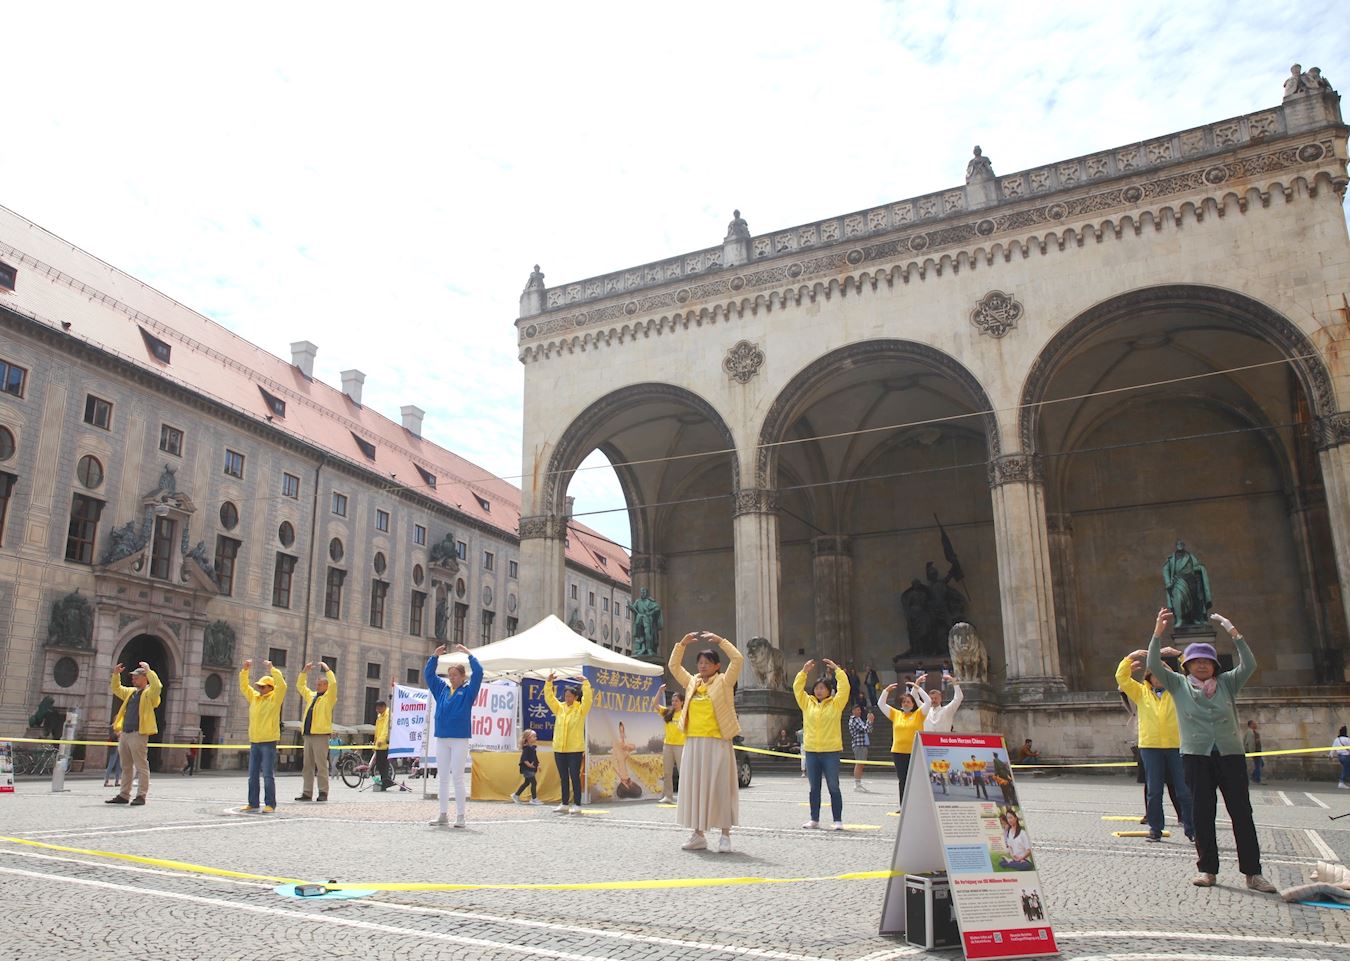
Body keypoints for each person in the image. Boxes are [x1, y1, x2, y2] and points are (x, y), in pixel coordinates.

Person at [1146, 608, 1276, 892]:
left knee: (1242, 813)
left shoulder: (1228, 683)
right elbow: (1153, 664)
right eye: (1196, 661)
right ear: (1187, 666)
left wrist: (1234, 632)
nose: (1202, 665)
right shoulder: (1178, 685)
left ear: (1215, 665)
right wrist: (1157, 632)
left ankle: (1253, 873)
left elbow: (1250, 664)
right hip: (1196, 757)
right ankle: (1207, 870)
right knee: (1203, 814)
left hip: (1230, 755)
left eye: (1207, 661)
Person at [669, 630, 744, 852]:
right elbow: (674, 666)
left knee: (721, 787)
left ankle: (725, 835)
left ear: (717, 666)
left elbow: (738, 659)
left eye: (707, 662)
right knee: (695, 789)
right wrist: (681, 645)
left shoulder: (724, 682)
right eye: (700, 662)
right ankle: (698, 834)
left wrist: (721, 642)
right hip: (693, 742)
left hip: (717, 741)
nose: (702, 666)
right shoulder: (692, 682)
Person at [1116, 646, 1194, 843]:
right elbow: (1122, 679)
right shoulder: (1141, 693)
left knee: (1184, 790)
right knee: (1154, 790)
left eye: (1163, 675)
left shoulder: (1178, 690)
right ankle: (1155, 829)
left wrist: (1179, 655)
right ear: (1149, 677)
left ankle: (1192, 828)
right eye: (1155, 675)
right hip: (1150, 747)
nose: (1159, 679)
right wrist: (1129, 658)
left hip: (1176, 745)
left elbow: (1191, 676)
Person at [425, 643, 482, 828]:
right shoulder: (441, 690)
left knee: (457, 777)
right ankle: (443, 815)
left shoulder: (468, 691)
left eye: (455, 675)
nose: (451, 678)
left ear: (463, 676)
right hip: (442, 738)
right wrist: (434, 657)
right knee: (442, 777)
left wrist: (469, 655)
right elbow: (429, 675)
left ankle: (461, 816)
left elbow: (479, 673)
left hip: (459, 739)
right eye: (449, 675)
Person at [794, 658, 850, 830]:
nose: (819, 691)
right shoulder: (807, 703)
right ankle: (814, 819)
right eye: (817, 688)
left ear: (829, 690)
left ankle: (837, 820)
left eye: (822, 688)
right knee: (814, 788)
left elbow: (845, 688)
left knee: (834, 787)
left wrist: (838, 671)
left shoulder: (836, 704)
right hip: (811, 751)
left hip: (830, 752)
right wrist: (804, 672)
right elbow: (797, 688)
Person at [105, 662, 162, 806]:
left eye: (136, 677)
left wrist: (149, 671)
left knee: (141, 765)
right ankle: (124, 794)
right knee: (126, 766)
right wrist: (116, 674)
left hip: (138, 733)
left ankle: (141, 795)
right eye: (133, 677)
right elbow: (116, 689)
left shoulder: (149, 694)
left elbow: (157, 687)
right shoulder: (131, 692)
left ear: (145, 678)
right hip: (125, 733)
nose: (133, 679)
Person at [239, 659, 286, 813]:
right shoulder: (255, 697)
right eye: (259, 686)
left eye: (263, 686)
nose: (259, 688)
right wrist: (245, 671)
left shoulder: (275, 698)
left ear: (271, 688)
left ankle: (270, 804)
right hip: (255, 741)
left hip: (268, 742)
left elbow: (282, 686)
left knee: (267, 775)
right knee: (252, 775)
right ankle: (253, 803)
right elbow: (244, 687)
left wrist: (273, 669)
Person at [543, 671, 593, 814]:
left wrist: (585, 683)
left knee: (574, 777)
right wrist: (548, 683)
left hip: (574, 749)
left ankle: (577, 804)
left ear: (575, 697)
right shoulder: (560, 708)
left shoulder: (581, 709)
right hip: (559, 749)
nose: (567, 698)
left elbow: (588, 700)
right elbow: (549, 698)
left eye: (570, 696)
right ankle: (564, 803)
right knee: (563, 777)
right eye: (565, 696)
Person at [877, 681, 928, 811]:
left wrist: (918, 688)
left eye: (908, 702)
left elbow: (928, 702)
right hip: (898, 752)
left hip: (915, 751)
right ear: (901, 704)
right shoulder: (896, 714)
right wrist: (886, 691)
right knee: (903, 780)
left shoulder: (919, 715)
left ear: (913, 704)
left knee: (916, 780)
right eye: (904, 702)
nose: (906, 704)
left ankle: (917, 804)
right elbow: (881, 704)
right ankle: (904, 806)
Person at [295, 661, 338, 802]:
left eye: (320, 684)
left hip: (320, 735)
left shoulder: (329, 697)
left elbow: (334, 684)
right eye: (317, 684)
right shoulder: (312, 696)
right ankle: (307, 792)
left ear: (326, 686)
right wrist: (304, 672)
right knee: (307, 766)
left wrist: (328, 670)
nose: (317, 686)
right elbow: (300, 686)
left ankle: (323, 792)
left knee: (321, 765)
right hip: (308, 735)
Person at [654, 684, 685, 803]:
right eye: (672, 701)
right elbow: (655, 705)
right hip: (668, 745)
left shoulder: (685, 714)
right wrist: (659, 691)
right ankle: (668, 796)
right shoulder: (668, 712)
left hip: (681, 745)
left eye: (676, 701)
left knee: (683, 772)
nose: (674, 703)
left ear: (682, 702)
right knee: (667, 772)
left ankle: (685, 797)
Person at [613, 721, 643, 799]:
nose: (621, 733)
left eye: (622, 731)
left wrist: (626, 746)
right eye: (620, 731)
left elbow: (633, 746)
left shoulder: (625, 743)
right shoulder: (617, 745)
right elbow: (615, 763)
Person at [848, 704, 875, 792]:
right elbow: (864, 729)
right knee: (859, 763)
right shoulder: (854, 720)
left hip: (863, 743)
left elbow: (869, 730)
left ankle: (859, 783)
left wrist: (869, 722)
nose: (859, 711)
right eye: (857, 710)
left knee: (861, 764)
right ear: (853, 711)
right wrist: (869, 721)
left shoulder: (859, 719)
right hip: (858, 744)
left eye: (859, 710)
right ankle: (857, 784)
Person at [513, 729, 541, 804]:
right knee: (534, 782)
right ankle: (534, 799)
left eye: (535, 736)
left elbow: (535, 758)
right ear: (528, 738)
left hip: (531, 768)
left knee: (527, 783)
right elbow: (524, 759)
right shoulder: (526, 749)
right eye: (533, 736)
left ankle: (516, 795)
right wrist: (529, 765)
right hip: (527, 769)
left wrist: (538, 764)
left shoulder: (533, 748)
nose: (535, 738)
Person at [372, 700, 392, 791]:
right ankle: (385, 780)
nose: (377, 711)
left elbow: (385, 729)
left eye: (379, 708)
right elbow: (377, 730)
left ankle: (386, 781)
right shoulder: (380, 716)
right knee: (379, 764)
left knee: (384, 764)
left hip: (385, 744)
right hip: (379, 744)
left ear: (383, 707)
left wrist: (381, 740)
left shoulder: (388, 715)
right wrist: (375, 740)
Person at [1244, 720, 1264, 784]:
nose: (1256, 725)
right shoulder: (1250, 732)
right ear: (1250, 725)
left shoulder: (1254, 732)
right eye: (1254, 724)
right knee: (1258, 765)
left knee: (1261, 764)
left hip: (1257, 750)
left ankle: (1253, 777)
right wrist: (1252, 752)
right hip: (1255, 751)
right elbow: (1250, 743)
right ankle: (1257, 779)